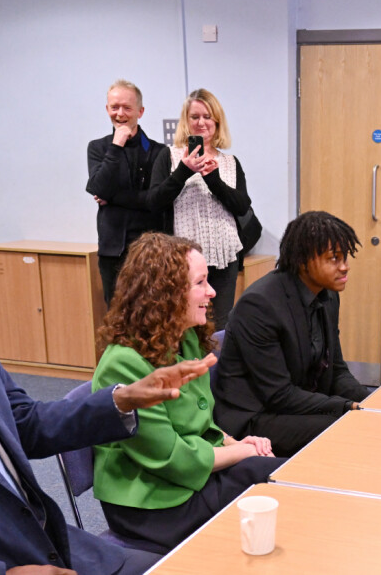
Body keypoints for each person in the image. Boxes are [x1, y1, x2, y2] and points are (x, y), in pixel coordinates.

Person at [91, 232, 285, 552]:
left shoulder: (186, 339)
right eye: (200, 282)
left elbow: (200, 423)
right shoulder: (124, 364)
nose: (211, 292)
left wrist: (237, 442)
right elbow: (173, 459)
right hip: (154, 504)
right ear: (163, 293)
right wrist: (243, 452)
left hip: (188, 479)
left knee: (277, 475)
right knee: (272, 478)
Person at [0, 357, 214, 574]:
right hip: (14, 557)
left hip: (42, 536)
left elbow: (24, 422)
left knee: (177, 568)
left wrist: (122, 400)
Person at [213, 211, 371, 458]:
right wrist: (345, 407)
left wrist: (370, 399)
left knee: (364, 419)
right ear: (303, 261)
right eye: (334, 259)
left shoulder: (328, 295)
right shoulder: (260, 305)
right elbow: (278, 394)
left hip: (293, 404)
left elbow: (337, 370)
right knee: (347, 428)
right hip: (255, 417)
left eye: (345, 257)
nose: (344, 267)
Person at [148, 88, 251, 330]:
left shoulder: (230, 162)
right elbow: (154, 201)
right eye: (194, 117)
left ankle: (216, 368)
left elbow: (242, 205)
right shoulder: (169, 157)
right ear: (186, 121)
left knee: (222, 325)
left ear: (217, 121)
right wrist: (184, 170)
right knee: (185, 322)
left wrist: (212, 178)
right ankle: (189, 368)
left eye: (207, 116)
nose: (201, 123)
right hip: (184, 257)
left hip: (225, 255)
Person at [86, 79, 166, 306]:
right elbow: (98, 187)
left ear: (140, 112)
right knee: (118, 316)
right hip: (113, 250)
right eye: (114, 107)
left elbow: (154, 200)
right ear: (107, 109)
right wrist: (116, 145)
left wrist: (112, 198)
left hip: (150, 249)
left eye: (127, 108)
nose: (120, 114)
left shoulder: (158, 152)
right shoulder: (98, 148)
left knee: (152, 313)